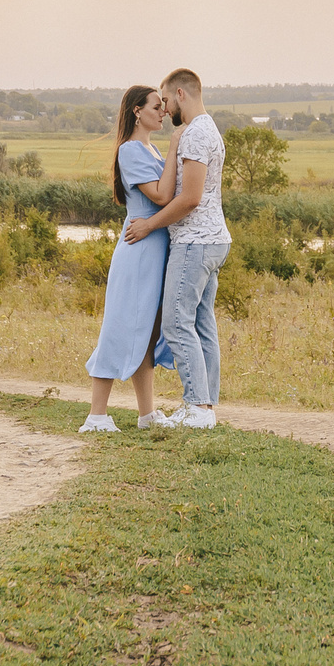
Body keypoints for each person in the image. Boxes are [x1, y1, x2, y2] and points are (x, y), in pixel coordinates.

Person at [120, 68, 228, 428]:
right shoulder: (208, 129)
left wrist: (149, 224)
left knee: (176, 323)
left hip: (195, 242)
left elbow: (190, 198)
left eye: (166, 100)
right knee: (201, 324)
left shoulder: (195, 133)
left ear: (181, 94)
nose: (166, 110)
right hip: (213, 240)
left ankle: (197, 407)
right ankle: (206, 408)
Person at [80, 84, 179, 433]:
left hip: (154, 248)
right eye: (156, 106)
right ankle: (96, 415)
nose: (162, 111)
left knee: (147, 335)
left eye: (163, 106)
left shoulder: (149, 151)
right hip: (139, 250)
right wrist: (177, 147)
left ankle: (147, 413)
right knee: (120, 326)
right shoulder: (131, 151)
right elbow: (163, 195)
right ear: (137, 111)